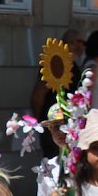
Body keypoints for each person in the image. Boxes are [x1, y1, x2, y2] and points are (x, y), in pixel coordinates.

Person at [31, 28, 83, 158]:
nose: (83, 47)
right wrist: (42, 122)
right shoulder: (55, 64)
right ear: (70, 43)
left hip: (70, 127)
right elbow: (38, 95)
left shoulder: (74, 66)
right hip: (54, 126)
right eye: (80, 42)